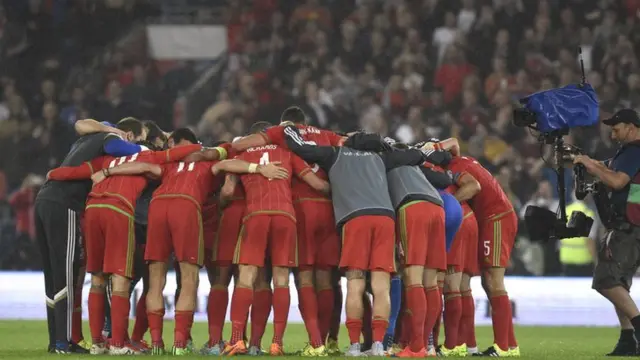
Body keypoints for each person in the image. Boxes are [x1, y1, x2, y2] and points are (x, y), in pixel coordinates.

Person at [124, 128, 287, 355]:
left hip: (158, 205)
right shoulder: (210, 162)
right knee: (194, 278)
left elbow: (143, 167)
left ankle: (159, 343)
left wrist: (108, 171)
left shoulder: (169, 164)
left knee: (156, 279)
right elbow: (227, 168)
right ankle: (182, 345)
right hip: (190, 205)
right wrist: (257, 168)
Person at [281, 126, 432, 356]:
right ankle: (379, 345)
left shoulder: (334, 154)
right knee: (381, 285)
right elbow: (414, 156)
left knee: (356, 282)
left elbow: (300, 148)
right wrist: (421, 150)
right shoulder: (381, 157)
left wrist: (290, 128)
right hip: (385, 218)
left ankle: (353, 345)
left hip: (355, 219)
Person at [46, 138, 203, 354]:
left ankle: (97, 343)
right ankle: (118, 344)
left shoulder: (105, 160)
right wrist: (201, 147)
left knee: (98, 279)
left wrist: (52, 174)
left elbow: (73, 173)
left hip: (93, 208)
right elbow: (180, 154)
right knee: (120, 278)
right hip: (118, 210)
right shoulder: (149, 156)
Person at [233, 106, 343, 354]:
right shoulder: (324, 135)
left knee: (265, 276)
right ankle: (322, 342)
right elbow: (340, 153)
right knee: (325, 279)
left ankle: (244, 340)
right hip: (323, 211)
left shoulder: (279, 138)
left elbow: (232, 155)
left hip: (295, 210)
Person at [35, 117, 146, 353]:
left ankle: (56, 340)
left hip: (44, 200)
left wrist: (55, 173)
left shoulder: (87, 140)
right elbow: (117, 146)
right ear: (128, 134)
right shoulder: (111, 140)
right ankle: (64, 343)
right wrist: (140, 148)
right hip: (65, 204)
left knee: (53, 275)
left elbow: (81, 123)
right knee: (66, 274)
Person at [431, 139, 519, 357]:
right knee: (486, 283)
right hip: (491, 218)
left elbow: (474, 187)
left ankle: (504, 347)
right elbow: (453, 142)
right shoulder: (461, 160)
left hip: (496, 218)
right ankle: (510, 345)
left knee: (493, 281)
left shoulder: (455, 168)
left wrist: (448, 204)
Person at [572, 109, 640, 356]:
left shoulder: (635, 150)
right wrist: (587, 161)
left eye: (616, 128)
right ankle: (628, 339)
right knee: (620, 282)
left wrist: (589, 164)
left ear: (631, 127)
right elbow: (608, 167)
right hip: (630, 226)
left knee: (607, 280)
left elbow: (618, 181)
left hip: (628, 228)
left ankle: (637, 331)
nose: (612, 133)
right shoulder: (627, 152)